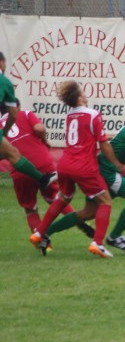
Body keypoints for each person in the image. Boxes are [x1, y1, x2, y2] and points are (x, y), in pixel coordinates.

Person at [43, 91, 125, 251]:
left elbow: (122, 145)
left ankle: (46, 232)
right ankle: (114, 237)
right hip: (108, 172)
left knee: (88, 213)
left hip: (102, 169)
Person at [29, 81, 123, 259]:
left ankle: (39, 232)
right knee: (105, 201)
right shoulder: (93, 114)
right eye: (83, 93)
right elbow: (102, 143)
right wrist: (116, 163)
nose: (86, 95)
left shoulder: (70, 115)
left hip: (65, 164)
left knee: (64, 197)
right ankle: (98, 243)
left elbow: (91, 136)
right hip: (83, 166)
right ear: (79, 97)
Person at [0, 100, 91, 249]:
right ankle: (79, 222)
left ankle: (43, 244)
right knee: (58, 198)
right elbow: (39, 128)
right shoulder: (26, 114)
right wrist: (44, 140)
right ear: (16, 108)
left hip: (21, 170)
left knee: (30, 209)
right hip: (43, 163)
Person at [0, 51, 57, 191]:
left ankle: (43, 179)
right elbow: (13, 114)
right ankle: (42, 179)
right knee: (13, 153)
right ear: (1, 62)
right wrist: (4, 132)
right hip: (44, 162)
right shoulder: (5, 82)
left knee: (10, 152)